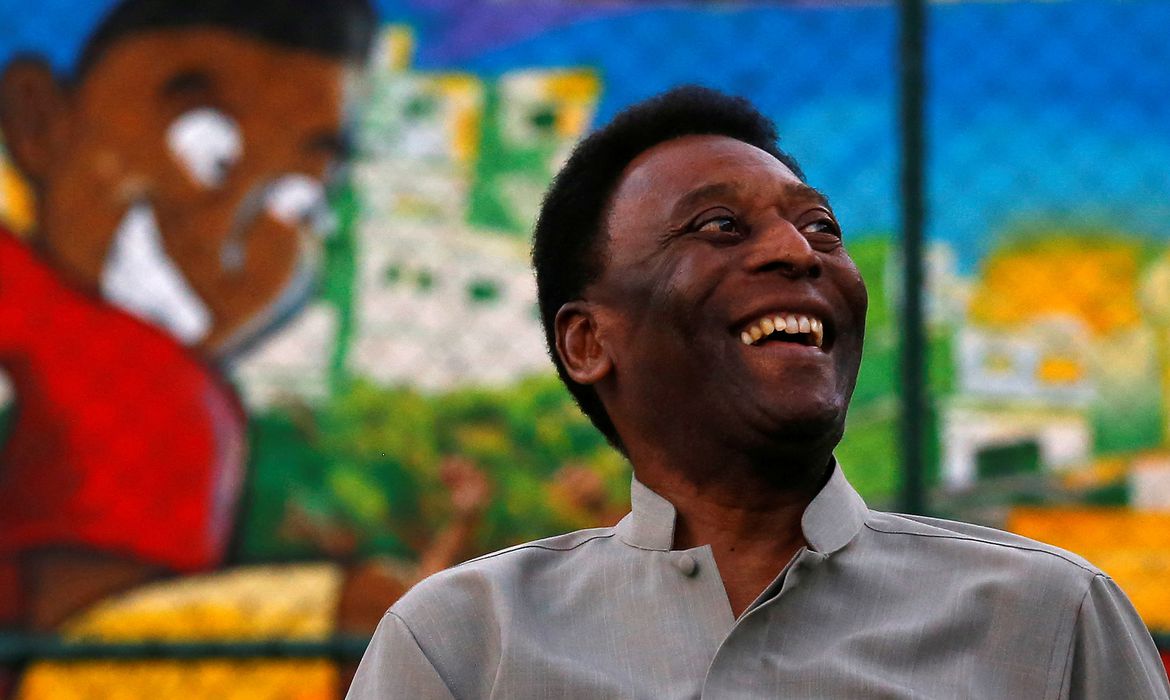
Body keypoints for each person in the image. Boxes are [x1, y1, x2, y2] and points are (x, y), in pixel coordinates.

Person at [347, 86, 1169, 698]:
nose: (798, 252)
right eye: (719, 227)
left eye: (821, 228)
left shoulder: (1050, 621)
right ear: (589, 342)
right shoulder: (462, 645)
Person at [0, 0, 373, 633]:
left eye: (296, 201)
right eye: (208, 157)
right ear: (40, 121)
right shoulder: (135, 382)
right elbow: (84, 643)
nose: (229, 240)